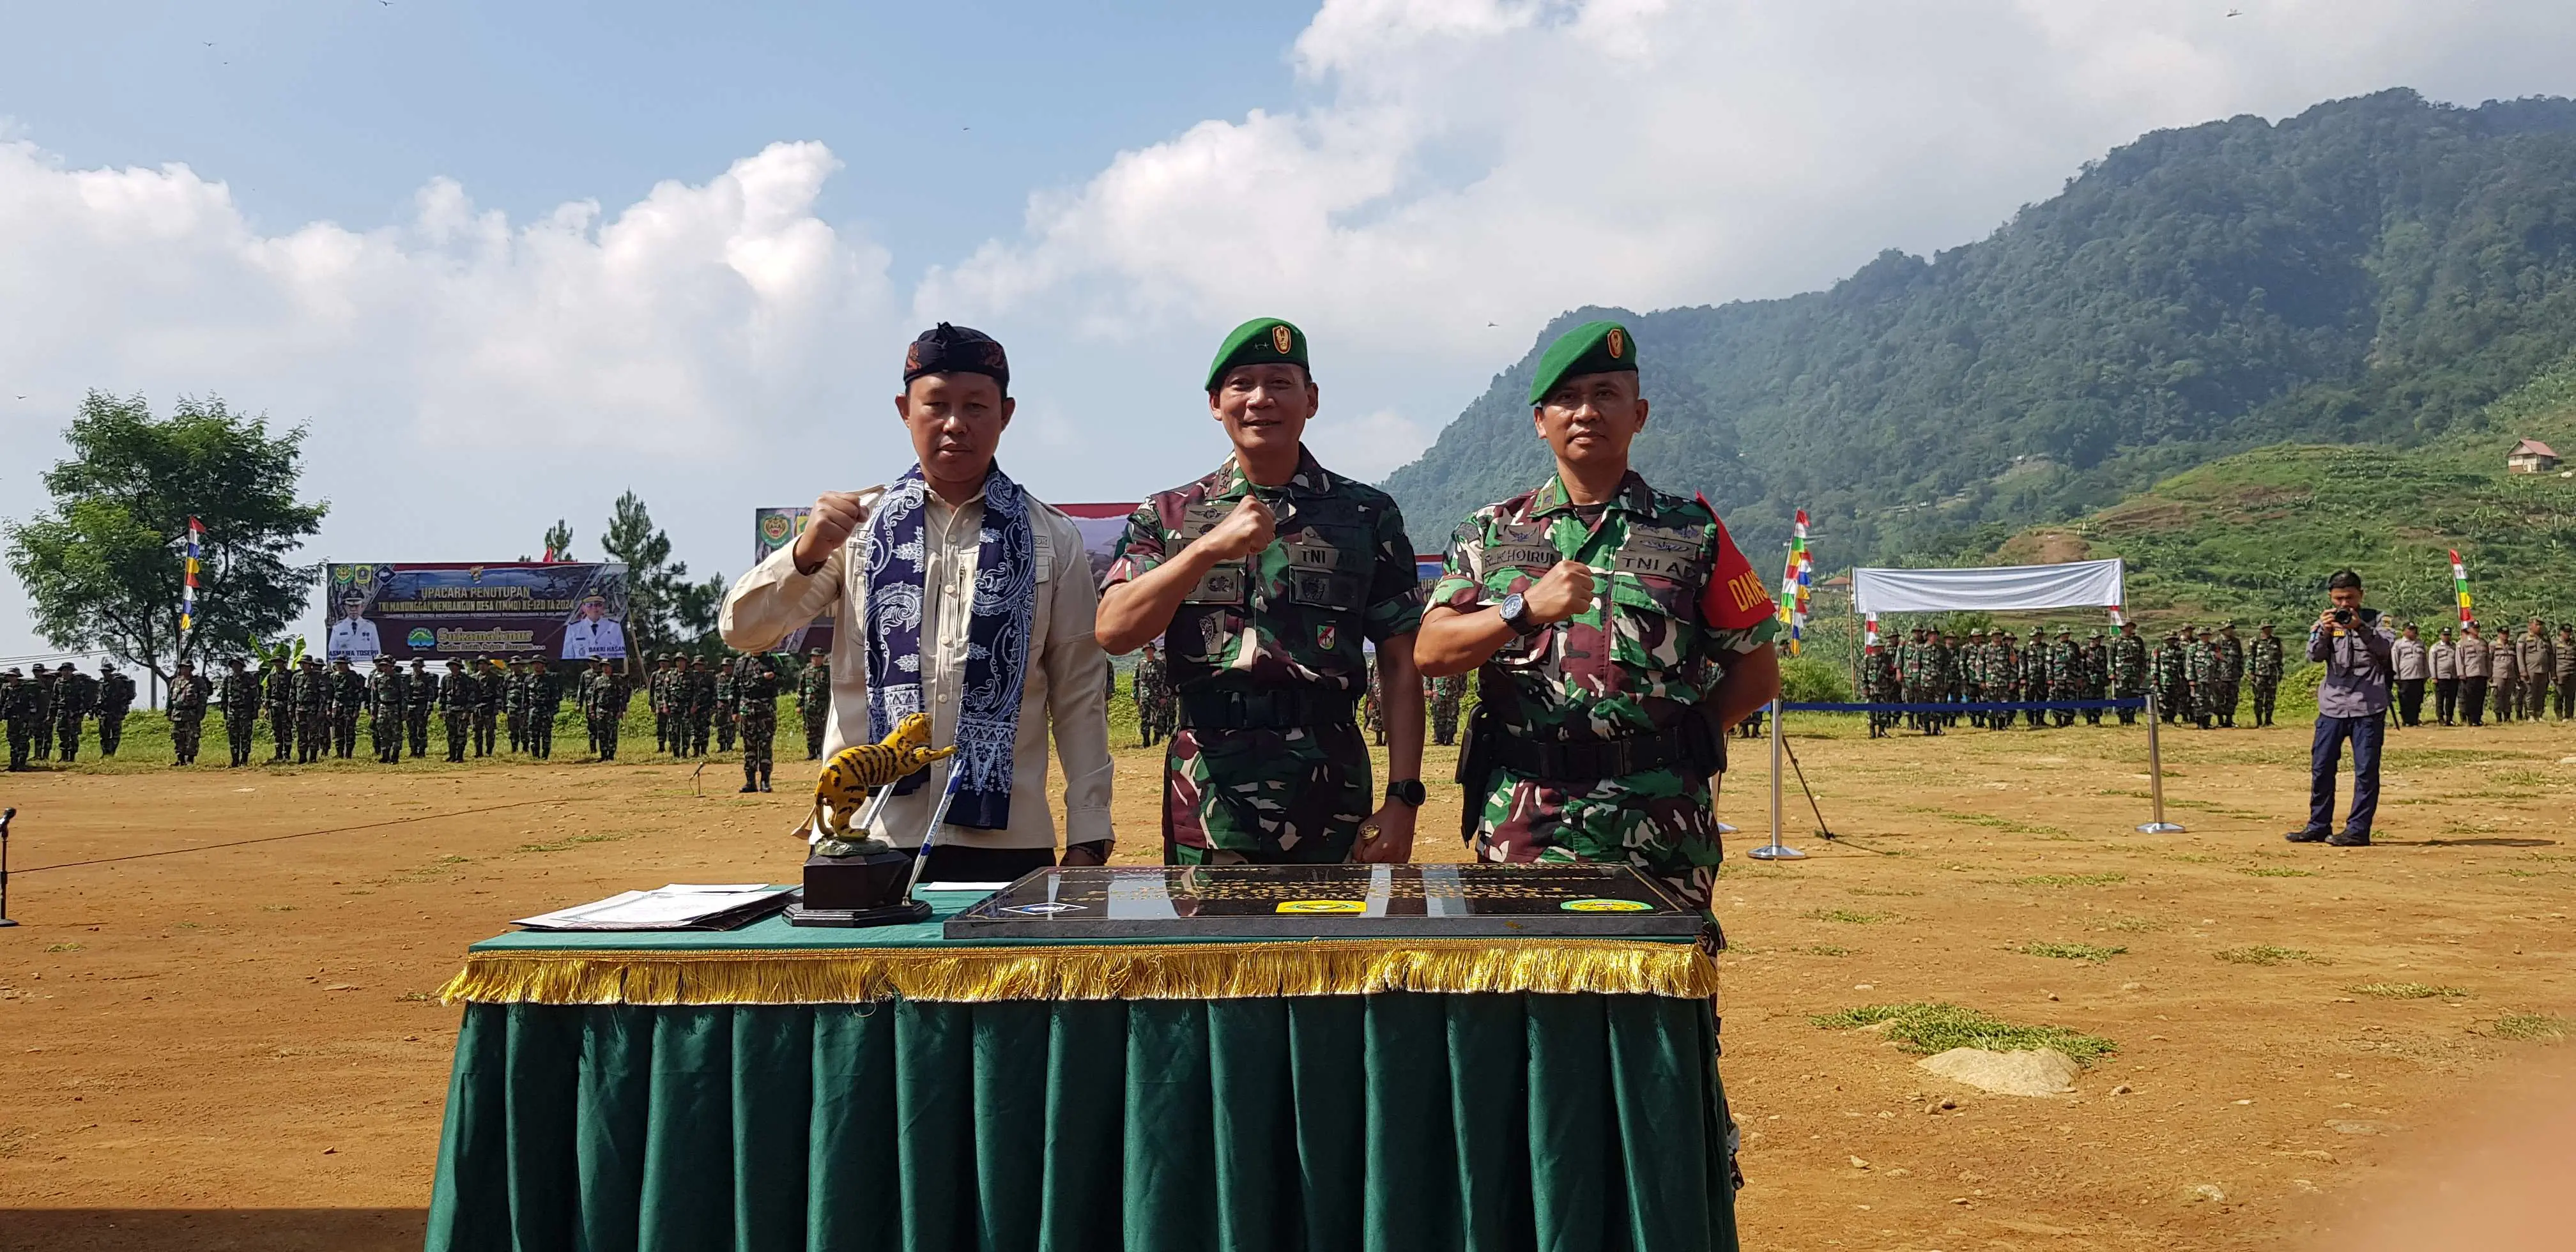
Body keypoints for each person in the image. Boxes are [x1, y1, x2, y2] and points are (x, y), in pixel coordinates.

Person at [723, 321, 1116, 880]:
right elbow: (744, 632)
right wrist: (805, 553)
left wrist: (1089, 834)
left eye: (976, 407)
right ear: (905, 409)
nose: (955, 424)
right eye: (936, 405)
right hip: (864, 834)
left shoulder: (1049, 535)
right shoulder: (855, 528)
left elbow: (1079, 690)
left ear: (1005, 414)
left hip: (1009, 840)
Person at [1416, 319, 1780, 910]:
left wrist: (1680, 740)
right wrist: (1523, 608)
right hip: (1526, 819)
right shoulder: (1490, 533)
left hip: (1659, 821)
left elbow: (1757, 675)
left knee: (1657, 993)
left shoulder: (1692, 531)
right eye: (1567, 398)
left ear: (1639, 414)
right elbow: (1433, 653)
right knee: (1529, 992)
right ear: (1541, 421)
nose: (1586, 412)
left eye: (1605, 395)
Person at [1096, 317, 1420, 867]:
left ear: (1311, 399)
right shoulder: (1169, 515)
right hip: (1209, 785)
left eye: (1280, 383)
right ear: (1215, 403)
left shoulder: (1366, 515)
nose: (1260, 400)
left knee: (1329, 950)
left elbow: (1400, 658)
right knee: (1211, 949)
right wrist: (1205, 550)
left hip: (1330, 778)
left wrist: (1403, 799)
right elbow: (1115, 629)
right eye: (1242, 384)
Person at [2288, 571, 2393, 848]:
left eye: (2350, 598)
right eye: (2338, 599)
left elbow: (2387, 650)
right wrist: (2323, 631)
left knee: (2366, 771)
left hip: (2368, 707)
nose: (2344, 605)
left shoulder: (2379, 620)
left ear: (2361, 594)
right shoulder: (2326, 621)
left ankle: (2358, 830)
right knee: (2322, 768)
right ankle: (2318, 825)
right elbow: (2314, 656)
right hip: (2332, 706)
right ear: (2330, 598)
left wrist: (2360, 627)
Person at [735, 652, 780, 792]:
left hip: (765, 709)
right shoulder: (742, 662)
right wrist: (734, 711)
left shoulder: (772, 660)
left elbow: (783, 680)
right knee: (749, 746)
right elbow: (735, 686)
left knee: (766, 745)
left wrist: (772, 679)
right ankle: (750, 782)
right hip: (747, 710)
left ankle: (765, 781)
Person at [585, 659, 630, 760]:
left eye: (607, 666)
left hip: (613, 711)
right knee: (601, 733)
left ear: (611, 667)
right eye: (603, 666)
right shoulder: (598, 680)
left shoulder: (617, 680)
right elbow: (594, 697)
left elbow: (622, 697)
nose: (605, 668)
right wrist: (592, 711)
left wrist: (621, 711)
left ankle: (611, 755)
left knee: (612, 734)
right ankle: (603, 755)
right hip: (600, 711)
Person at [220, 657, 261, 767]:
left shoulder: (249, 678)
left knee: (245, 736)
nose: (235, 667)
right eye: (233, 665)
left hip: (245, 711)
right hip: (232, 712)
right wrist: (225, 712)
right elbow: (224, 697)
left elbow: (255, 696)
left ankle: (244, 760)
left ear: (242, 666)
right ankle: (234, 760)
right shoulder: (228, 679)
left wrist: (255, 711)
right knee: (233, 736)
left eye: (237, 665)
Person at [560, 593, 626, 661]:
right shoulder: (573, 629)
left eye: (598, 605)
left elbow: (621, 656)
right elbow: (567, 657)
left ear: (603, 607)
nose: (594, 608)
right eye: (590, 605)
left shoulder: (614, 627)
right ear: (583, 608)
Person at [167, 660, 209, 766]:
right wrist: (169, 712)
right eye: (182, 668)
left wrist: (200, 713)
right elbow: (170, 698)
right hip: (178, 714)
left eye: (187, 668)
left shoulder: (198, 682)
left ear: (191, 669)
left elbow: (203, 699)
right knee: (178, 736)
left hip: (192, 713)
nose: (184, 670)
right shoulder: (175, 682)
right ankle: (180, 759)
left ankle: (190, 759)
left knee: (192, 737)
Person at [52, 662, 95, 762]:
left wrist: (81, 714)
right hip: (62, 712)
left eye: (68, 670)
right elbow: (54, 699)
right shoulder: (58, 682)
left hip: (75, 712)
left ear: (72, 672)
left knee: (73, 735)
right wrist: (51, 715)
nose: (66, 672)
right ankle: (64, 756)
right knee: (62, 734)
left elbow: (84, 700)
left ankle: (72, 757)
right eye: (64, 670)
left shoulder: (79, 683)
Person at [2515, 618, 2556, 722]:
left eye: (2540, 625)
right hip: (2530, 670)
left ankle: (2539, 714)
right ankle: (2530, 714)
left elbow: (2551, 656)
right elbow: (2520, 656)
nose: (2539, 627)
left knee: (2541, 693)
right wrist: (2522, 671)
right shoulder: (2524, 638)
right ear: (2530, 626)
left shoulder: (2545, 639)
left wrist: (2552, 672)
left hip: (2543, 670)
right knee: (2530, 692)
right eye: (2537, 625)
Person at [2108, 620, 2148, 726]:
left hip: (2134, 673)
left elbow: (2143, 657)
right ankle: (2122, 717)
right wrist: (2111, 672)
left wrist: (2143, 672)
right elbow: (2111, 658)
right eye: (2126, 627)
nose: (2128, 629)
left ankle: (2131, 718)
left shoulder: (2138, 641)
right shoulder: (2116, 641)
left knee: (2134, 694)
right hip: (2121, 673)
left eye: (2130, 627)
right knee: (2121, 695)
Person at [368, 656, 405, 763]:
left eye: (386, 666)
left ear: (391, 666)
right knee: (383, 732)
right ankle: (385, 756)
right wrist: (373, 712)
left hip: (395, 708)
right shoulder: (378, 679)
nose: (385, 668)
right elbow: (374, 697)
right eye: (383, 666)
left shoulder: (399, 679)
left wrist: (404, 711)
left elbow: (404, 696)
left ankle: (395, 756)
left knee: (396, 733)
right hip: (382, 708)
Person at [2248, 623, 2285, 728]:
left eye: (2270, 628)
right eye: (2266, 628)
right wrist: (2251, 672)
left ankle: (2268, 720)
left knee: (2271, 698)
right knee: (2258, 698)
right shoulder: (2255, 641)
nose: (2268, 630)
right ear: (2262, 629)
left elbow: (2279, 658)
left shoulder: (2276, 641)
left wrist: (2280, 672)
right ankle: (2259, 721)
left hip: (2272, 673)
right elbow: (2251, 657)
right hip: (2259, 674)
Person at [326, 593, 381, 663]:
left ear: (362, 606)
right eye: (350, 606)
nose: (353, 609)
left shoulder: (370, 627)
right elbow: (333, 652)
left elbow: (377, 651)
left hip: (367, 666)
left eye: (357, 606)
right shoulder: (338, 628)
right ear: (345, 607)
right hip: (345, 667)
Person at [293, 655, 329, 764]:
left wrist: (321, 710)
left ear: (310, 665)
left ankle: (313, 757)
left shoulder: (318, 677)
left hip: (313, 709)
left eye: (305, 663)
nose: (303, 665)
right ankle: (302, 756)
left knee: (314, 734)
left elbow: (323, 696)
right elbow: (293, 694)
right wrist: (291, 708)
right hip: (300, 709)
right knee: (301, 733)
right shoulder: (296, 677)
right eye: (301, 663)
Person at [2391, 623, 2428, 727]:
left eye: (2414, 629)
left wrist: (2426, 675)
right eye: (2410, 629)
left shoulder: (2420, 643)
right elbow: (2395, 660)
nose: (2413, 632)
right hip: (2405, 677)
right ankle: (2407, 720)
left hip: (2419, 676)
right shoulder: (2398, 644)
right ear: (2404, 631)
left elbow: (2425, 660)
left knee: (2417, 699)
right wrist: (2396, 676)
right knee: (2405, 699)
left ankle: (2415, 719)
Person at [797, 647, 831, 760]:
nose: (816, 660)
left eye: (819, 657)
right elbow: (801, 689)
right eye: (814, 657)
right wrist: (799, 705)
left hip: (823, 705)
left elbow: (831, 689)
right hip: (809, 706)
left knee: (823, 729)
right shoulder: (806, 672)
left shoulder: (828, 672)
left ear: (823, 658)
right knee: (810, 729)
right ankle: (811, 752)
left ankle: (821, 752)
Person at [329, 657, 366, 758]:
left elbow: (358, 694)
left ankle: (349, 753)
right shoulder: (333, 677)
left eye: (342, 663)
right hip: (337, 706)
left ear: (347, 665)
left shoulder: (353, 677)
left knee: (349, 730)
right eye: (338, 664)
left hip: (350, 707)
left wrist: (356, 710)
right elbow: (330, 694)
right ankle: (339, 753)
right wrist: (329, 708)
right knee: (338, 730)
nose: (340, 666)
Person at [96, 662, 135, 756]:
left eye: (107, 671)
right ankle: (105, 752)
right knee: (104, 734)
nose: (105, 673)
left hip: (116, 712)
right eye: (103, 671)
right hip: (104, 712)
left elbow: (124, 697)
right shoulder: (101, 683)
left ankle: (111, 752)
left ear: (111, 672)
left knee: (115, 734)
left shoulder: (118, 683)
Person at [2457, 621, 2490, 726]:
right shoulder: (2463, 643)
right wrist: (2461, 673)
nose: (2477, 630)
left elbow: (2488, 660)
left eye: (2478, 628)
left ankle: (2478, 718)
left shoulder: (2483, 643)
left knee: (2480, 698)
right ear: (2469, 629)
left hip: (2482, 673)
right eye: (2474, 628)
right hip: (2470, 674)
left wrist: (2489, 673)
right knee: (2470, 698)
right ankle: (2470, 719)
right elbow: (2459, 660)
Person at [438, 659, 472, 762]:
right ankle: (452, 755)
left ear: (459, 667)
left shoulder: (466, 679)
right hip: (450, 710)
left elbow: (471, 696)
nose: (452, 667)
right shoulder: (445, 679)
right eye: (451, 665)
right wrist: (442, 709)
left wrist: (468, 711)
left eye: (455, 665)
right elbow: (442, 695)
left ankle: (460, 756)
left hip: (462, 709)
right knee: (451, 734)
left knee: (461, 733)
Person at [263, 657, 296, 761]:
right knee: (277, 730)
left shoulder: (290, 675)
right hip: (274, 706)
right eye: (275, 662)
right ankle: (278, 754)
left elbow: (294, 692)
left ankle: (287, 754)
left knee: (287, 730)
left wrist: (292, 707)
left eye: (279, 662)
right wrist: (266, 709)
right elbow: (268, 693)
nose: (277, 664)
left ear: (284, 663)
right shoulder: (271, 676)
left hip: (286, 705)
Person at [526, 657, 560, 759]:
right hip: (533, 711)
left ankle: (545, 756)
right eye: (535, 664)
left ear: (543, 665)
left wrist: (553, 711)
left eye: (539, 664)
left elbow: (556, 696)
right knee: (533, 734)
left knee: (546, 735)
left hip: (546, 711)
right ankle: (535, 756)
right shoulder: (528, 679)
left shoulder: (550, 679)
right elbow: (525, 697)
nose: (537, 666)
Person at [471, 656, 503, 757]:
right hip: (477, 709)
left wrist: (497, 708)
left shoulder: (495, 678)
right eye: (480, 664)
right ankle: (478, 752)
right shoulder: (472, 678)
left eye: (484, 664)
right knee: (477, 732)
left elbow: (499, 694)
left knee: (490, 732)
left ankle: (489, 751)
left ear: (488, 666)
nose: (482, 666)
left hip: (489, 707)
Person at [2428, 625, 2460, 726]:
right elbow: (2432, 663)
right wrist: (2434, 677)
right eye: (2445, 635)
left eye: (2448, 635)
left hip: (2453, 677)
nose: (2446, 637)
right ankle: (2440, 718)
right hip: (2440, 677)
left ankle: (2449, 718)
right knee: (2440, 699)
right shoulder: (2435, 648)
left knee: (2451, 699)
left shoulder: (2454, 647)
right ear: (2441, 635)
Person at [405, 658, 435, 758]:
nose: (416, 669)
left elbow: (431, 694)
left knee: (421, 730)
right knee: (411, 730)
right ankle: (413, 750)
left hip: (422, 706)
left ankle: (421, 751)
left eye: (418, 666)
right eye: (414, 666)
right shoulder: (409, 678)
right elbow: (406, 693)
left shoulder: (427, 678)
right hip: (411, 706)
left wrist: (429, 707)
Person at [3, 669, 32, 770]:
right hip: (11, 719)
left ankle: (22, 764)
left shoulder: (25, 689)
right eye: (9, 676)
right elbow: (2, 702)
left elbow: (31, 704)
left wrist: (30, 718)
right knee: (12, 741)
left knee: (23, 741)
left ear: (17, 677)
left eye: (12, 676)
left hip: (23, 718)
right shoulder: (6, 688)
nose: (10, 678)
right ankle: (13, 763)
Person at [2491, 630, 2520, 725]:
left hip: (2510, 674)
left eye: (2507, 634)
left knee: (2508, 696)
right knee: (2498, 696)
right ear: (2499, 634)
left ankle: (2507, 717)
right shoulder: (2493, 645)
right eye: (2503, 634)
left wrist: (2517, 675)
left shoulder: (2512, 645)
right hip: (2498, 674)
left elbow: (2515, 661)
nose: (2505, 636)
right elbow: (2489, 660)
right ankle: (2498, 718)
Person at [2556, 622, 2576, 721]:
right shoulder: (2555, 643)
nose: (2568, 634)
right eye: (2566, 632)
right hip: (2560, 673)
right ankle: (2559, 715)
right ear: (2561, 632)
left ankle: (2569, 715)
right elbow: (2552, 660)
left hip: (2572, 673)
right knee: (2559, 695)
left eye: (2569, 632)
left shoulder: (2574, 644)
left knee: (2571, 696)